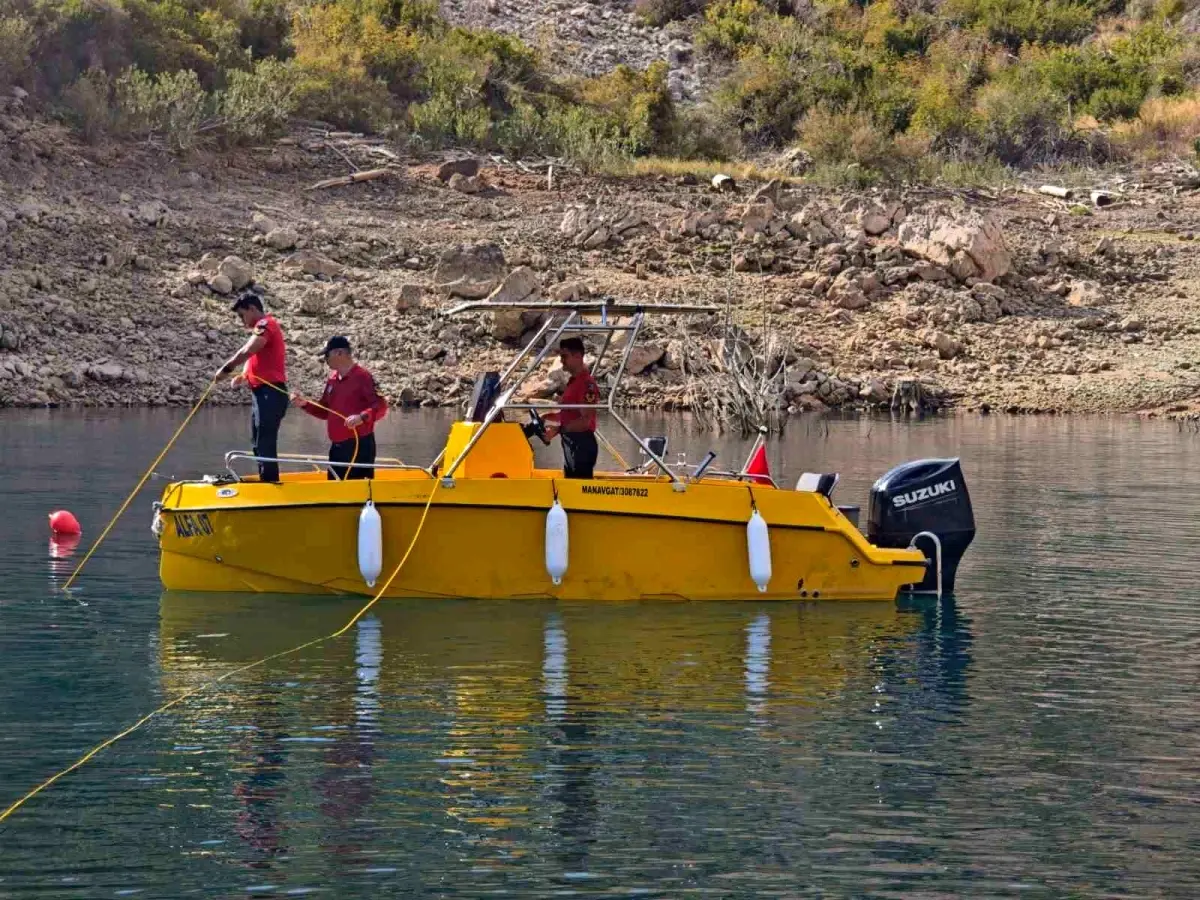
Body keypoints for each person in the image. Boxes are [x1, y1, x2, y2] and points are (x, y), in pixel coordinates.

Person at [215, 288, 288, 483]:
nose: (241, 320)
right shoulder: (261, 328)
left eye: (242, 315)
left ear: (253, 308)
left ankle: (270, 483)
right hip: (261, 393)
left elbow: (249, 350)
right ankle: (266, 479)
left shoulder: (265, 324)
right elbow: (256, 355)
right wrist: (244, 374)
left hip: (271, 392)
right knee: (257, 441)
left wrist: (226, 368)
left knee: (265, 441)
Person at [292, 336, 388, 480]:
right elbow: (325, 410)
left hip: (359, 446)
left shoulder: (363, 377)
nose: (325, 359)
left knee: (357, 491)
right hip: (337, 448)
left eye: (327, 355)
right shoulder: (332, 380)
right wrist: (305, 404)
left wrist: (361, 418)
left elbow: (381, 407)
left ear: (339, 353)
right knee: (335, 488)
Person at [544, 337, 600, 479]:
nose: (561, 360)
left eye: (565, 356)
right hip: (571, 443)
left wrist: (559, 429)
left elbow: (585, 421)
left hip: (581, 445)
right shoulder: (573, 382)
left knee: (578, 488)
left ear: (578, 356)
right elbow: (569, 413)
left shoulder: (587, 385)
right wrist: (549, 421)